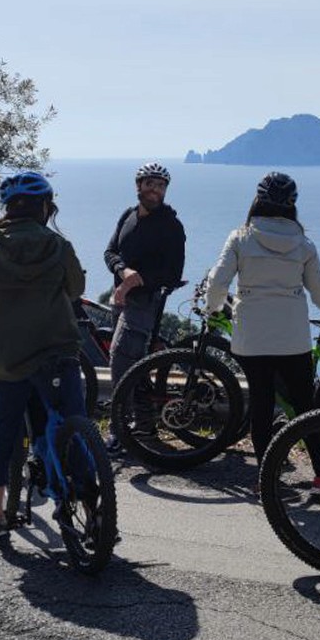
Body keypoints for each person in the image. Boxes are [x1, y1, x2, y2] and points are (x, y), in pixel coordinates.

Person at [0, 171, 87, 546]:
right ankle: (92, 506)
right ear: (45, 207)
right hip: (57, 353)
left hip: (7, 360)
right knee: (73, 424)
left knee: (1, 432)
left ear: (9, 208)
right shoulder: (58, 246)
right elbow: (76, 289)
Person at [203, 171, 320, 468]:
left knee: (261, 405)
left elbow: (217, 282)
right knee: (305, 406)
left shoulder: (240, 238)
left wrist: (212, 308)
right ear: (292, 204)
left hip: (252, 337)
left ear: (257, 200)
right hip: (293, 338)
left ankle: (266, 476)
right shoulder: (304, 244)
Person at [103, 161, 187, 448]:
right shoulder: (128, 215)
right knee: (133, 366)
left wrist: (136, 281)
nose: (155, 190)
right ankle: (145, 426)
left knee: (120, 360)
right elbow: (110, 251)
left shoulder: (171, 226)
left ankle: (118, 429)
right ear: (138, 186)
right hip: (121, 298)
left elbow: (173, 274)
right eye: (150, 183)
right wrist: (123, 272)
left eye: (161, 186)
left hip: (145, 303)